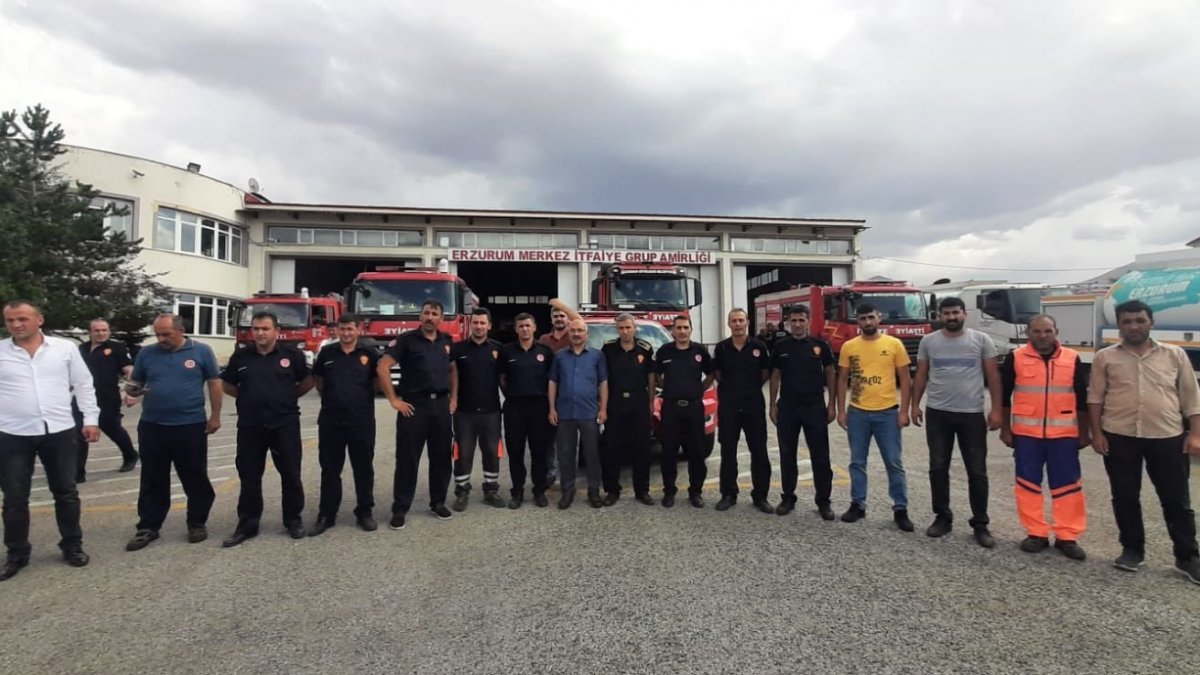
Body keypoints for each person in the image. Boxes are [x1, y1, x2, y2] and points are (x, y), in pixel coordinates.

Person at [1089, 300, 1200, 583]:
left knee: (1176, 499)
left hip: (1167, 437)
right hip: (1119, 436)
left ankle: (1187, 556)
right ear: (1119, 325)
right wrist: (1097, 433)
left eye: (1140, 320)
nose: (1134, 326)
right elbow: (1096, 397)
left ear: (1151, 322)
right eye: (1127, 321)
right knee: (1125, 496)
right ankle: (1132, 550)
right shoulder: (1105, 357)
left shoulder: (1174, 354)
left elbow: (1191, 397)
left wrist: (1196, 434)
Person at [0, 300, 98, 580]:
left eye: (22, 319)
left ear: (39, 320)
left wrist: (90, 419)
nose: (16, 324)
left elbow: (83, 384)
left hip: (59, 430)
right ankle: (17, 553)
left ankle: (72, 545)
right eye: (10, 320)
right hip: (12, 434)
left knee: (66, 492)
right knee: (15, 498)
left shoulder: (64, 348)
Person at [121, 314, 221, 551]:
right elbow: (135, 384)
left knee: (194, 476)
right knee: (152, 478)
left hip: (190, 425)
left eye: (167, 334)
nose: (161, 339)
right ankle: (148, 526)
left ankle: (196, 522)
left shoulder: (202, 351)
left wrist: (215, 416)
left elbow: (214, 384)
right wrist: (133, 391)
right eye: (158, 335)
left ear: (181, 330)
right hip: (153, 425)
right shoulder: (147, 353)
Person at [910, 297, 1003, 548]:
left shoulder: (981, 340)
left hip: (971, 414)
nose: (951, 317)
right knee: (938, 467)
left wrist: (996, 410)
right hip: (938, 413)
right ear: (940, 316)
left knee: (977, 470)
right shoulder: (929, 342)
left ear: (964, 314)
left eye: (955, 312)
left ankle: (980, 523)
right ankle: (942, 517)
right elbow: (921, 374)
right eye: (947, 313)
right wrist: (914, 405)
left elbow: (993, 376)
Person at [999, 314, 1089, 561]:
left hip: (1064, 435)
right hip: (1027, 435)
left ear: (1056, 331)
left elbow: (1081, 398)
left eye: (1047, 331)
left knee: (1068, 486)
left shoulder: (1072, 357)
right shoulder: (1016, 357)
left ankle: (1067, 535)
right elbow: (1004, 397)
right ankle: (1036, 533)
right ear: (1028, 333)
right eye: (1037, 331)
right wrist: (1006, 429)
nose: (1042, 336)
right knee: (1028, 484)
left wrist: (1084, 432)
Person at [220, 311, 313, 547]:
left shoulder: (292, 355)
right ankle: (247, 525)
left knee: (290, 474)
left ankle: (293, 520)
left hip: (284, 424)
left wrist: (287, 397)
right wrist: (248, 397)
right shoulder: (241, 356)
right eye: (256, 329)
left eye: (265, 329)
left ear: (276, 331)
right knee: (249, 476)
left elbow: (307, 381)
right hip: (250, 425)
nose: (260, 333)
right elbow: (227, 385)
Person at [836, 303, 914, 531]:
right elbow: (842, 379)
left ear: (879, 318)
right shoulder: (849, 346)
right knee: (857, 462)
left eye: (871, 317)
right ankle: (858, 504)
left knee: (894, 462)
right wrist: (841, 410)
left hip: (887, 413)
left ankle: (900, 508)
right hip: (858, 413)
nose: (867, 322)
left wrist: (904, 411)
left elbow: (905, 379)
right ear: (857, 321)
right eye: (863, 318)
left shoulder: (894, 344)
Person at [378, 299, 454, 529]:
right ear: (420, 316)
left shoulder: (447, 341)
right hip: (414, 407)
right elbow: (383, 366)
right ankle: (400, 508)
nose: (430, 317)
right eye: (426, 313)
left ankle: (438, 502)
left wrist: (455, 398)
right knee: (407, 460)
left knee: (441, 458)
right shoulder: (406, 340)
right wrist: (394, 400)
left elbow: (453, 370)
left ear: (441, 318)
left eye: (435, 314)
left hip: (440, 406)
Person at [309, 314, 379, 536]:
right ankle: (327, 515)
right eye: (342, 329)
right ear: (337, 330)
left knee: (363, 468)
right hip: (331, 420)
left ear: (358, 330)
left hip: (361, 420)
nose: (346, 333)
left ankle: (365, 512)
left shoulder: (369, 353)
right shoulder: (327, 353)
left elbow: (377, 382)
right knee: (330, 469)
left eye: (350, 329)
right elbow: (319, 382)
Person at [769, 305, 837, 519]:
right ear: (788, 322)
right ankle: (788, 497)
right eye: (794, 320)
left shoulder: (820, 346)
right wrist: (772, 405)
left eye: (801, 320)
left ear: (808, 321)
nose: (797, 324)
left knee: (820, 457)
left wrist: (832, 404)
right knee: (787, 454)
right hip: (788, 407)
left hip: (814, 406)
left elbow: (831, 373)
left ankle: (823, 501)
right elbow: (775, 375)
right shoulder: (780, 346)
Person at [712, 308, 773, 514]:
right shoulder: (721, 348)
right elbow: (717, 373)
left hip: (753, 405)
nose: (737, 324)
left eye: (740, 320)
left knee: (759, 450)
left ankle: (760, 496)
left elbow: (765, 373)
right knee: (728, 451)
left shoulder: (759, 346)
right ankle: (728, 494)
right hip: (729, 406)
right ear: (729, 324)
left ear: (747, 322)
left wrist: (749, 389)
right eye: (734, 321)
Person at [449, 308, 506, 511]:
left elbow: (504, 379)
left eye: (483, 323)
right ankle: (462, 491)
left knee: (492, 451)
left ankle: (491, 490)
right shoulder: (458, 349)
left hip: (491, 411)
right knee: (463, 452)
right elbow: (451, 376)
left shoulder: (498, 349)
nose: (479, 326)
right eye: (475, 323)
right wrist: (452, 400)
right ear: (470, 325)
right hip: (464, 412)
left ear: (489, 325)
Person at [548, 318, 609, 509]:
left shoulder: (597, 356)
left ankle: (594, 491)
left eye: (580, 331)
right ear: (568, 333)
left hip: (589, 412)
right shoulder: (559, 356)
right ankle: (567, 491)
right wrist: (552, 408)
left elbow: (603, 382)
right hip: (564, 412)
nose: (576, 334)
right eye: (573, 331)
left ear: (586, 334)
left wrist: (603, 408)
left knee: (592, 453)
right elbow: (553, 382)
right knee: (565, 454)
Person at [655, 315, 714, 508]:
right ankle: (669, 491)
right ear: (672, 331)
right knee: (669, 452)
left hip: (693, 407)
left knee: (697, 452)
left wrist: (700, 389)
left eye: (685, 328)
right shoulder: (664, 351)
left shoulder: (700, 351)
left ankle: (695, 491)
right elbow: (655, 374)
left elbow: (711, 373)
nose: (682, 331)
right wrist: (666, 387)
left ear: (691, 330)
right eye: (678, 328)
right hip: (671, 408)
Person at [499, 313, 555, 509]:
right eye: (521, 326)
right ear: (516, 329)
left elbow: (552, 381)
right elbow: (502, 378)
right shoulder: (506, 351)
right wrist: (511, 394)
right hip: (514, 407)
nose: (524, 329)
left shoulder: (545, 352)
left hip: (539, 407)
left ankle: (539, 490)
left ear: (534, 328)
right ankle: (517, 491)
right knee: (515, 452)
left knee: (539, 452)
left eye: (527, 325)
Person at [600, 313, 656, 506]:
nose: (625, 331)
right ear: (617, 329)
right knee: (612, 448)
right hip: (615, 401)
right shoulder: (608, 349)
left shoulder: (645, 348)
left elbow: (651, 377)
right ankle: (612, 491)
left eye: (628, 327)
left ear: (634, 328)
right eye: (621, 328)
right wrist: (603, 405)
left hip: (638, 401)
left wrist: (650, 402)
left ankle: (642, 491)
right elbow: (603, 378)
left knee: (642, 448)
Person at [73, 318, 138, 481]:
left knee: (112, 428)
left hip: (107, 397)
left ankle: (130, 455)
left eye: (104, 330)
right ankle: (78, 471)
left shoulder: (117, 347)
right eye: (97, 330)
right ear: (90, 332)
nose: (101, 333)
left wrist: (131, 392)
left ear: (109, 331)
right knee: (79, 432)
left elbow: (129, 369)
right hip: (82, 396)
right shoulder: (82, 348)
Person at [539, 299, 579, 485]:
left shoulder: (573, 336)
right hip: (548, 394)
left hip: (570, 393)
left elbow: (579, 320)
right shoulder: (544, 340)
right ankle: (550, 472)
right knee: (548, 439)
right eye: (555, 316)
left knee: (569, 440)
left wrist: (562, 306)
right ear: (551, 319)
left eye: (562, 316)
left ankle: (569, 476)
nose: (559, 319)